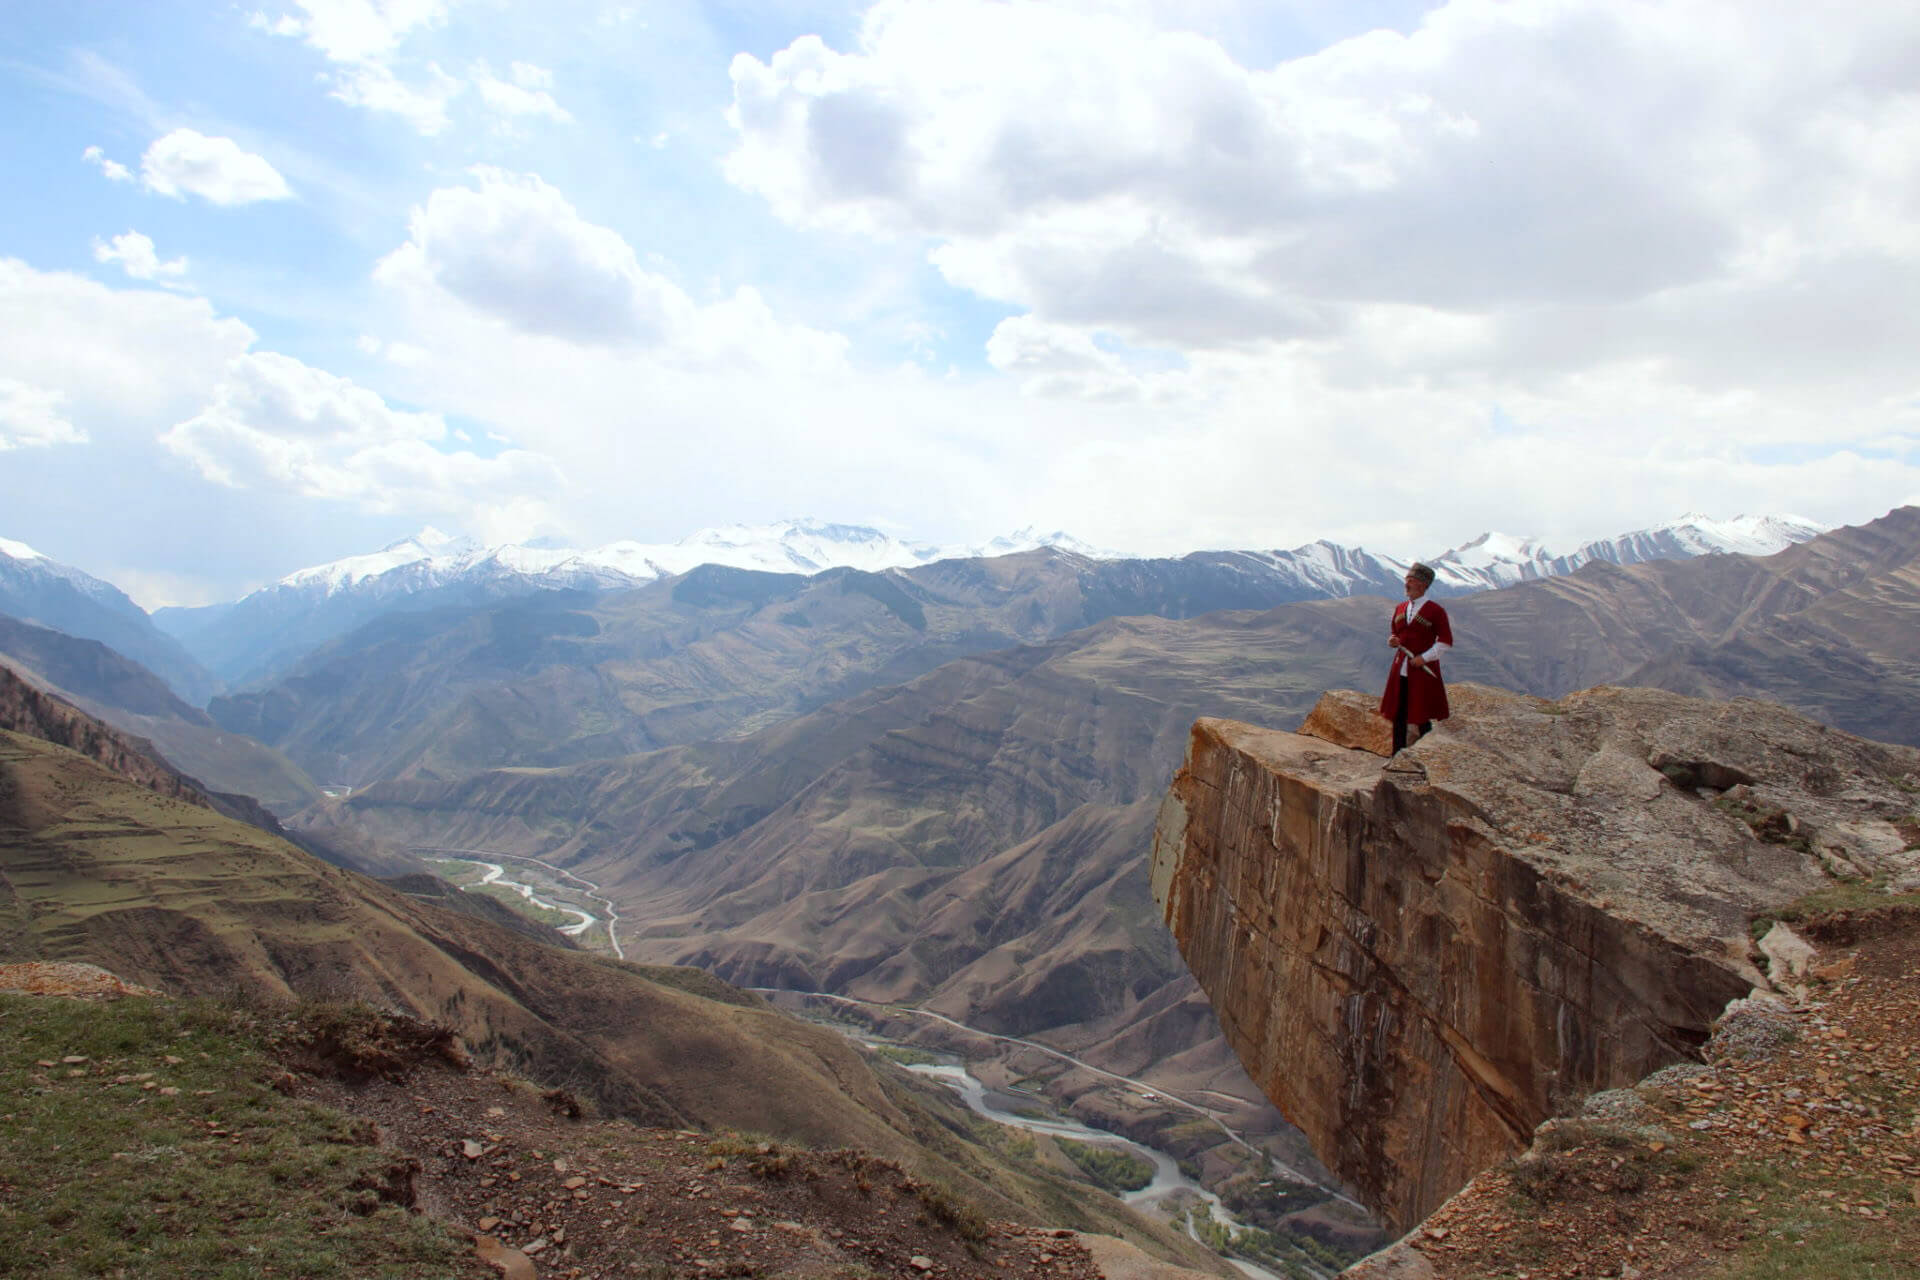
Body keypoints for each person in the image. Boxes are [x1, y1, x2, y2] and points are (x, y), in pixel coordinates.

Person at [1379, 562, 1451, 752]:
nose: (1406, 585)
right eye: (1406, 581)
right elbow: (1395, 634)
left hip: (1421, 670)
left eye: (1410, 581)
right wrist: (1393, 641)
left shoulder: (1436, 611)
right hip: (1401, 667)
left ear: (1421, 585)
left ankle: (1427, 755)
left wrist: (1424, 658)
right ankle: (1397, 755)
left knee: (1422, 713)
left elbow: (1445, 641)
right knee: (1398, 713)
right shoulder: (1401, 608)